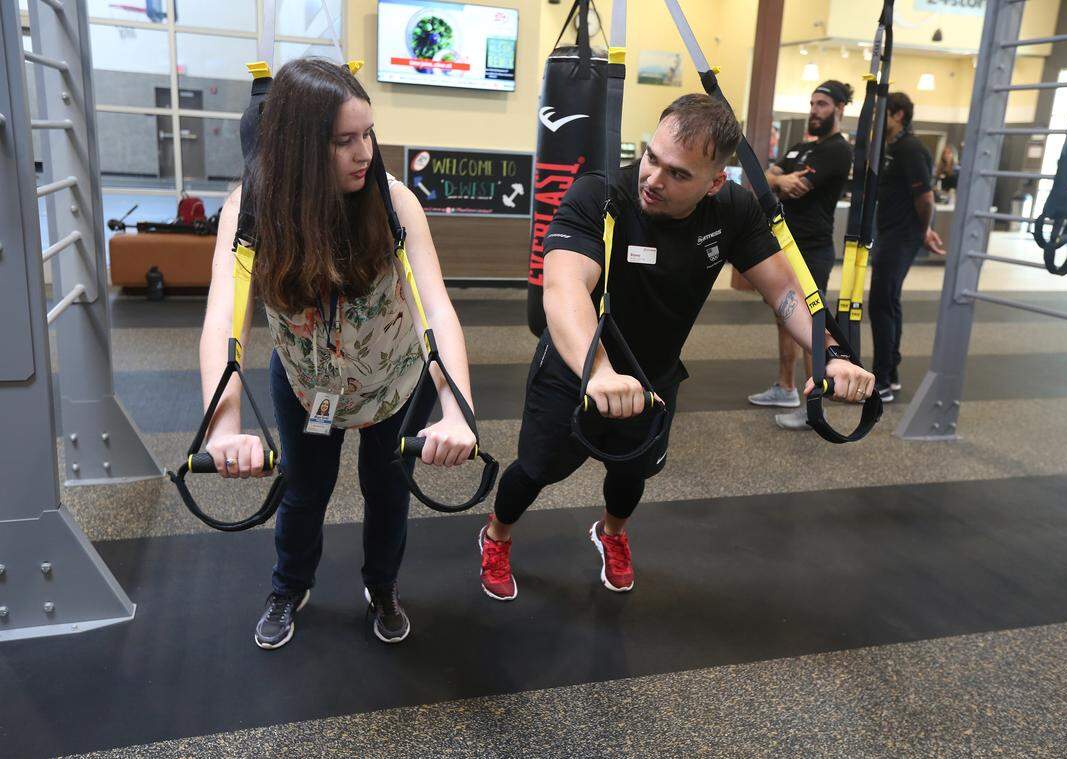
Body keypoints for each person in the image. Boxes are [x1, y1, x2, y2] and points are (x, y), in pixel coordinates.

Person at [477, 94, 874, 600]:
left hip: (653, 378)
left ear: (714, 183)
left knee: (630, 476)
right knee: (535, 471)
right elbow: (563, 288)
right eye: (651, 157)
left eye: (678, 174)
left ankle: (612, 535)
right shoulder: (599, 196)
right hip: (576, 369)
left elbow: (785, 292)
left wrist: (829, 354)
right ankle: (496, 535)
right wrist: (598, 372)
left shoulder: (732, 208)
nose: (654, 179)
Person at [199, 59, 478, 649]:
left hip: (393, 382)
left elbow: (439, 311)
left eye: (368, 134)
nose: (365, 153)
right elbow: (224, 321)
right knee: (304, 491)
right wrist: (223, 427)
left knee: (388, 492)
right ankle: (288, 587)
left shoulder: (395, 202)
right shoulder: (250, 209)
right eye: (344, 141)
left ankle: (382, 587)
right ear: (299, 147)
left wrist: (459, 413)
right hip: (307, 383)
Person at [746, 81, 855, 431]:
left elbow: (793, 185)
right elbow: (765, 177)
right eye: (812, 103)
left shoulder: (837, 150)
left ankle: (814, 405)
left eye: (822, 104)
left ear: (839, 108)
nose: (814, 110)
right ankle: (785, 387)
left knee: (810, 322)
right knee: (784, 314)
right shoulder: (800, 147)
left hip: (812, 247)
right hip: (786, 244)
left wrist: (778, 179)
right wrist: (778, 178)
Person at [869, 92, 946, 401]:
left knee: (881, 303)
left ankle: (882, 380)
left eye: (882, 113)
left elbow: (925, 198)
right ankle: (891, 372)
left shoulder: (911, 148)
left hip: (902, 236)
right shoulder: (893, 148)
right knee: (888, 301)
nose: (876, 119)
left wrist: (924, 230)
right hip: (891, 233)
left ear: (898, 114)